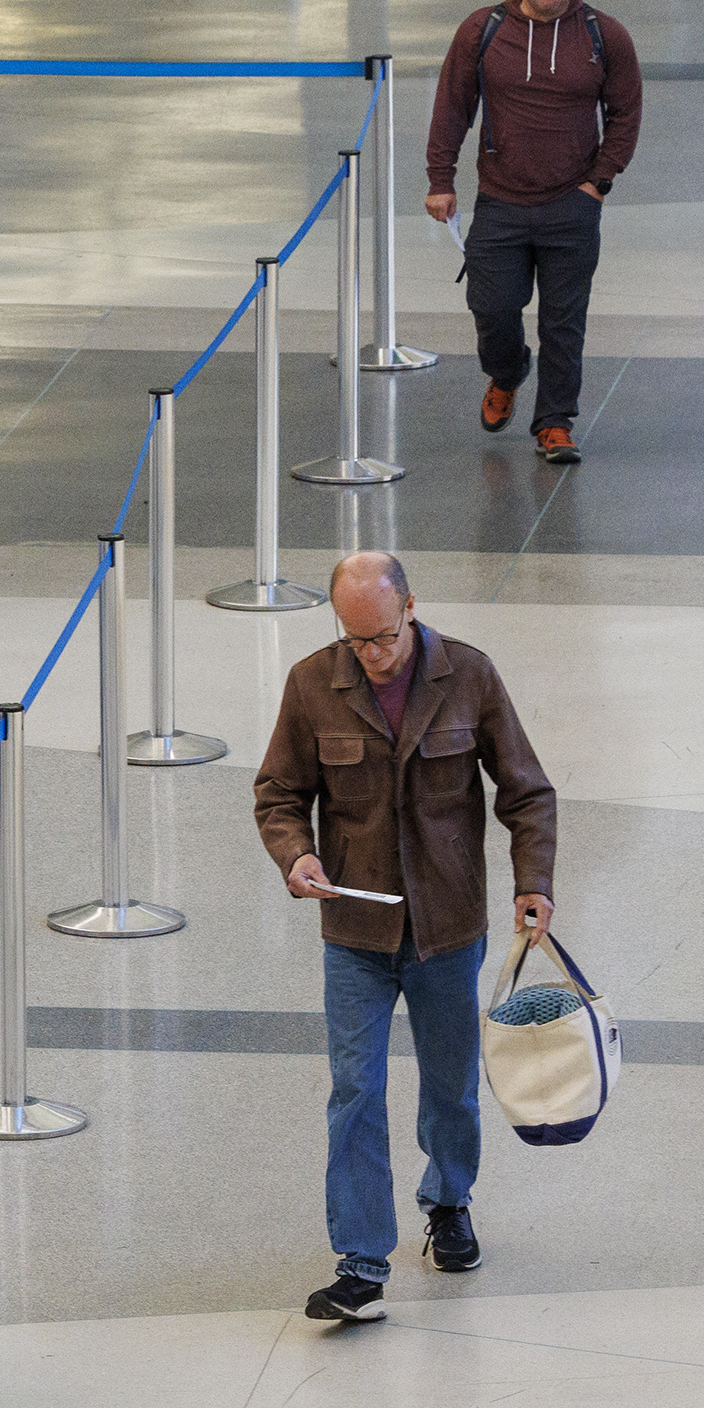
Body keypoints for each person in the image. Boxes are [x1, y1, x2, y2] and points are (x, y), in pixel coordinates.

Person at [251, 553, 558, 1327]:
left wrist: (534, 879)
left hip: (448, 926)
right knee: (355, 1089)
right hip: (354, 929)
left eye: (381, 638)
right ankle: (360, 1257)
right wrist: (297, 856)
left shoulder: (471, 677)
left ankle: (449, 1199)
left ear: (411, 608)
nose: (370, 654)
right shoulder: (312, 684)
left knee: (450, 1083)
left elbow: (526, 790)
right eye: (353, 640)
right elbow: (278, 792)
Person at [424, 0, 645, 466]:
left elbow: (626, 113)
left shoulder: (603, 35)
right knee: (491, 307)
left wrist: (598, 183)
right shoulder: (482, 30)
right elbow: (453, 106)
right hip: (500, 202)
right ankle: (506, 369)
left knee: (564, 319)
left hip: (572, 204)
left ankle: (555, 423)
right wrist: (441, 179)